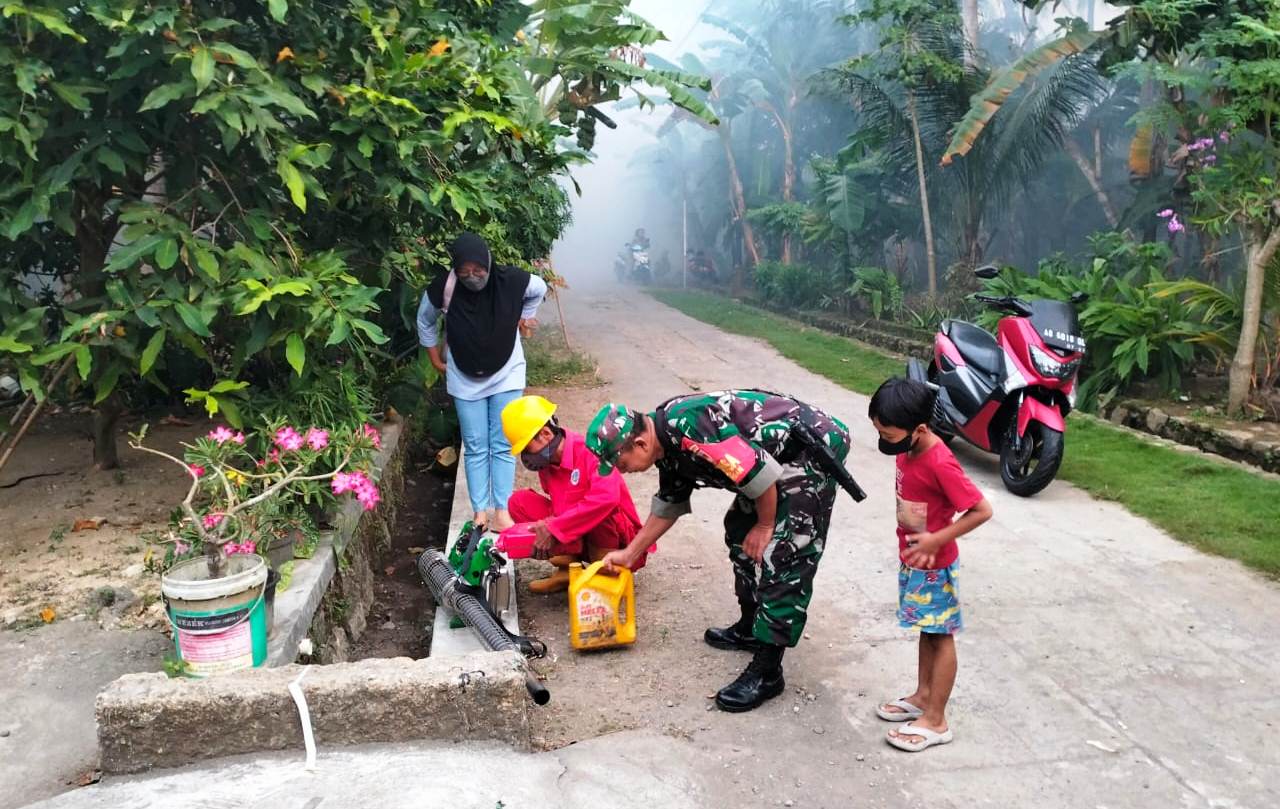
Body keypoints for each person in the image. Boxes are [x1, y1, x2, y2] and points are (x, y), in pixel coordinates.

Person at [587, 390, 851, 713]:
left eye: (619, 462)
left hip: (807, 449)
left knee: (785, 553)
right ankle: (752, 624)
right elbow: (670, 504)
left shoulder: (689, 427)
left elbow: (759, 474)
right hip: (773, 459)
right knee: (740, 529)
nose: (620, 470)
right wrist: (629, 554)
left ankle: (768, 671)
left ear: (639, 444)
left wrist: (767, 526)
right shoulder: (664, 443)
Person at [867, 378, 992, 753]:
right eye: (878, 431)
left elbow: (981, 510)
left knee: (941, 635)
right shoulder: (908, 450)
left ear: (919, 429)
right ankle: (923, 696)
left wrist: (938, 538)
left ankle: (936, 719)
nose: (884, 440)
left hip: (935, 566)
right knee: (928, 631)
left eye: (888, 434)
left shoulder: (940, 461)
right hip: (915, 561)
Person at [417, 233, 547, 532]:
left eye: (479, 270)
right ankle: (479, 512)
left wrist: (524, 317)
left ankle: (501, 510)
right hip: (464, 376)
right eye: (465, 272)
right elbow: (424, 320)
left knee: (502, 443)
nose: (473, 277)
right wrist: (435, 358)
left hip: (506, 373)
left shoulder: (510, 279)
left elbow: (539, 288)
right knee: (475, 445)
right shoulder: (445, 287)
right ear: (456, 269)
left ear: (489, 263)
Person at [501, 395, 647, 593]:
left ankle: (605, 578)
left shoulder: (589, 450)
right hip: (580, 533)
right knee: (520, 502)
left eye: (526, 448)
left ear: (545, 434)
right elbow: (560, 507)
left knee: (602, 509)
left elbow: (608, 498)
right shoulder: (548, 463)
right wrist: (545, 531)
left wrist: (554, 528)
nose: (525, 457)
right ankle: (568, 570)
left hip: (621, 542)